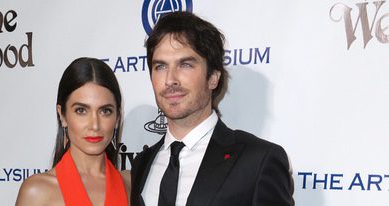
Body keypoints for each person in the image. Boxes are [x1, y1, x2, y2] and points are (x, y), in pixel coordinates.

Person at [131, 12, 294, 206]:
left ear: (213, 77)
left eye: (185, 64)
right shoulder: (142, 163)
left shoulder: (258, 161)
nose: (170, 79)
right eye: (160, 67)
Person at [16, 57, 130, 206]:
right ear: (62, 115)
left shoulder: (130, 184)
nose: (94, 125)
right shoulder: (36, 192)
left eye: (105, 111)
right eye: (81, 110)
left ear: (117, 117)